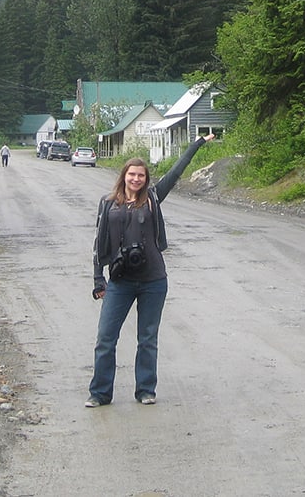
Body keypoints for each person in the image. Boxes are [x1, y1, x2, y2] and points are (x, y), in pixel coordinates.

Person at [86, 132, 217, 408]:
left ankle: (145, 389)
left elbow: (176, 171)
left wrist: (197, 144)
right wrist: (99, 279)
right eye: (132, 174)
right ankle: (99, 393)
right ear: (124, 176)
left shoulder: (153, 198)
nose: (136, 179)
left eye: (141, 176)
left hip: (153, 281)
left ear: (146, 179)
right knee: (105, 338)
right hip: (119, 282)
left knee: (147, 338)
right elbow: (99, 242)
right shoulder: (108, 203)